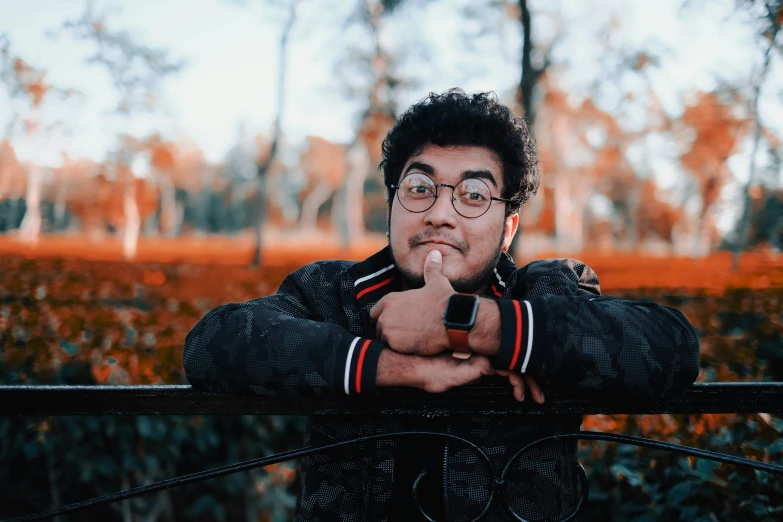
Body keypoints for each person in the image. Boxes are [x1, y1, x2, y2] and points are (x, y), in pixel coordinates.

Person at [183, 89, 700, 521]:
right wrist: (391, 366)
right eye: (419, 187)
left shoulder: (545, 294)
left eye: (474, 195)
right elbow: (212, 345)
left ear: (508, 228)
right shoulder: (331, 294)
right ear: (392, 204)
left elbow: (671, 348)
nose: (441, 214)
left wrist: (478, 327)